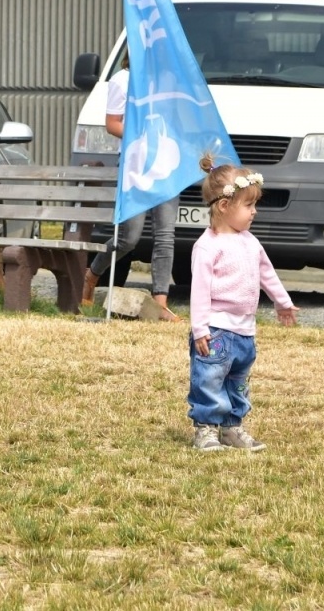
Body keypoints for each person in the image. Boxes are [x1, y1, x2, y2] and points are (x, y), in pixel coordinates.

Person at [188, 153, 297, 452]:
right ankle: (206, 429)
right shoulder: (208, 247)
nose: (254, 212)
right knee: (209, 380)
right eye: (248, 205)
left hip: (244, 331)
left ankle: (232, 427)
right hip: (217, 330)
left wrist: (282, 302)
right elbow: (199, 290)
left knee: (237, 382)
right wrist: (200, 328)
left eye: (254, 205)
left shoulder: (251, 242)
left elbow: (266, 273)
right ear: (224, 206)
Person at [81, 57, 180, 320]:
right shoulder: (122, 80)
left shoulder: (169, 78)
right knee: (129, 238)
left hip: (166, 164)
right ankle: (92, 274)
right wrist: (141, 135)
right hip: (136, 167)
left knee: (165, 236)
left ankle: (160, 303)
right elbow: (112, 123)